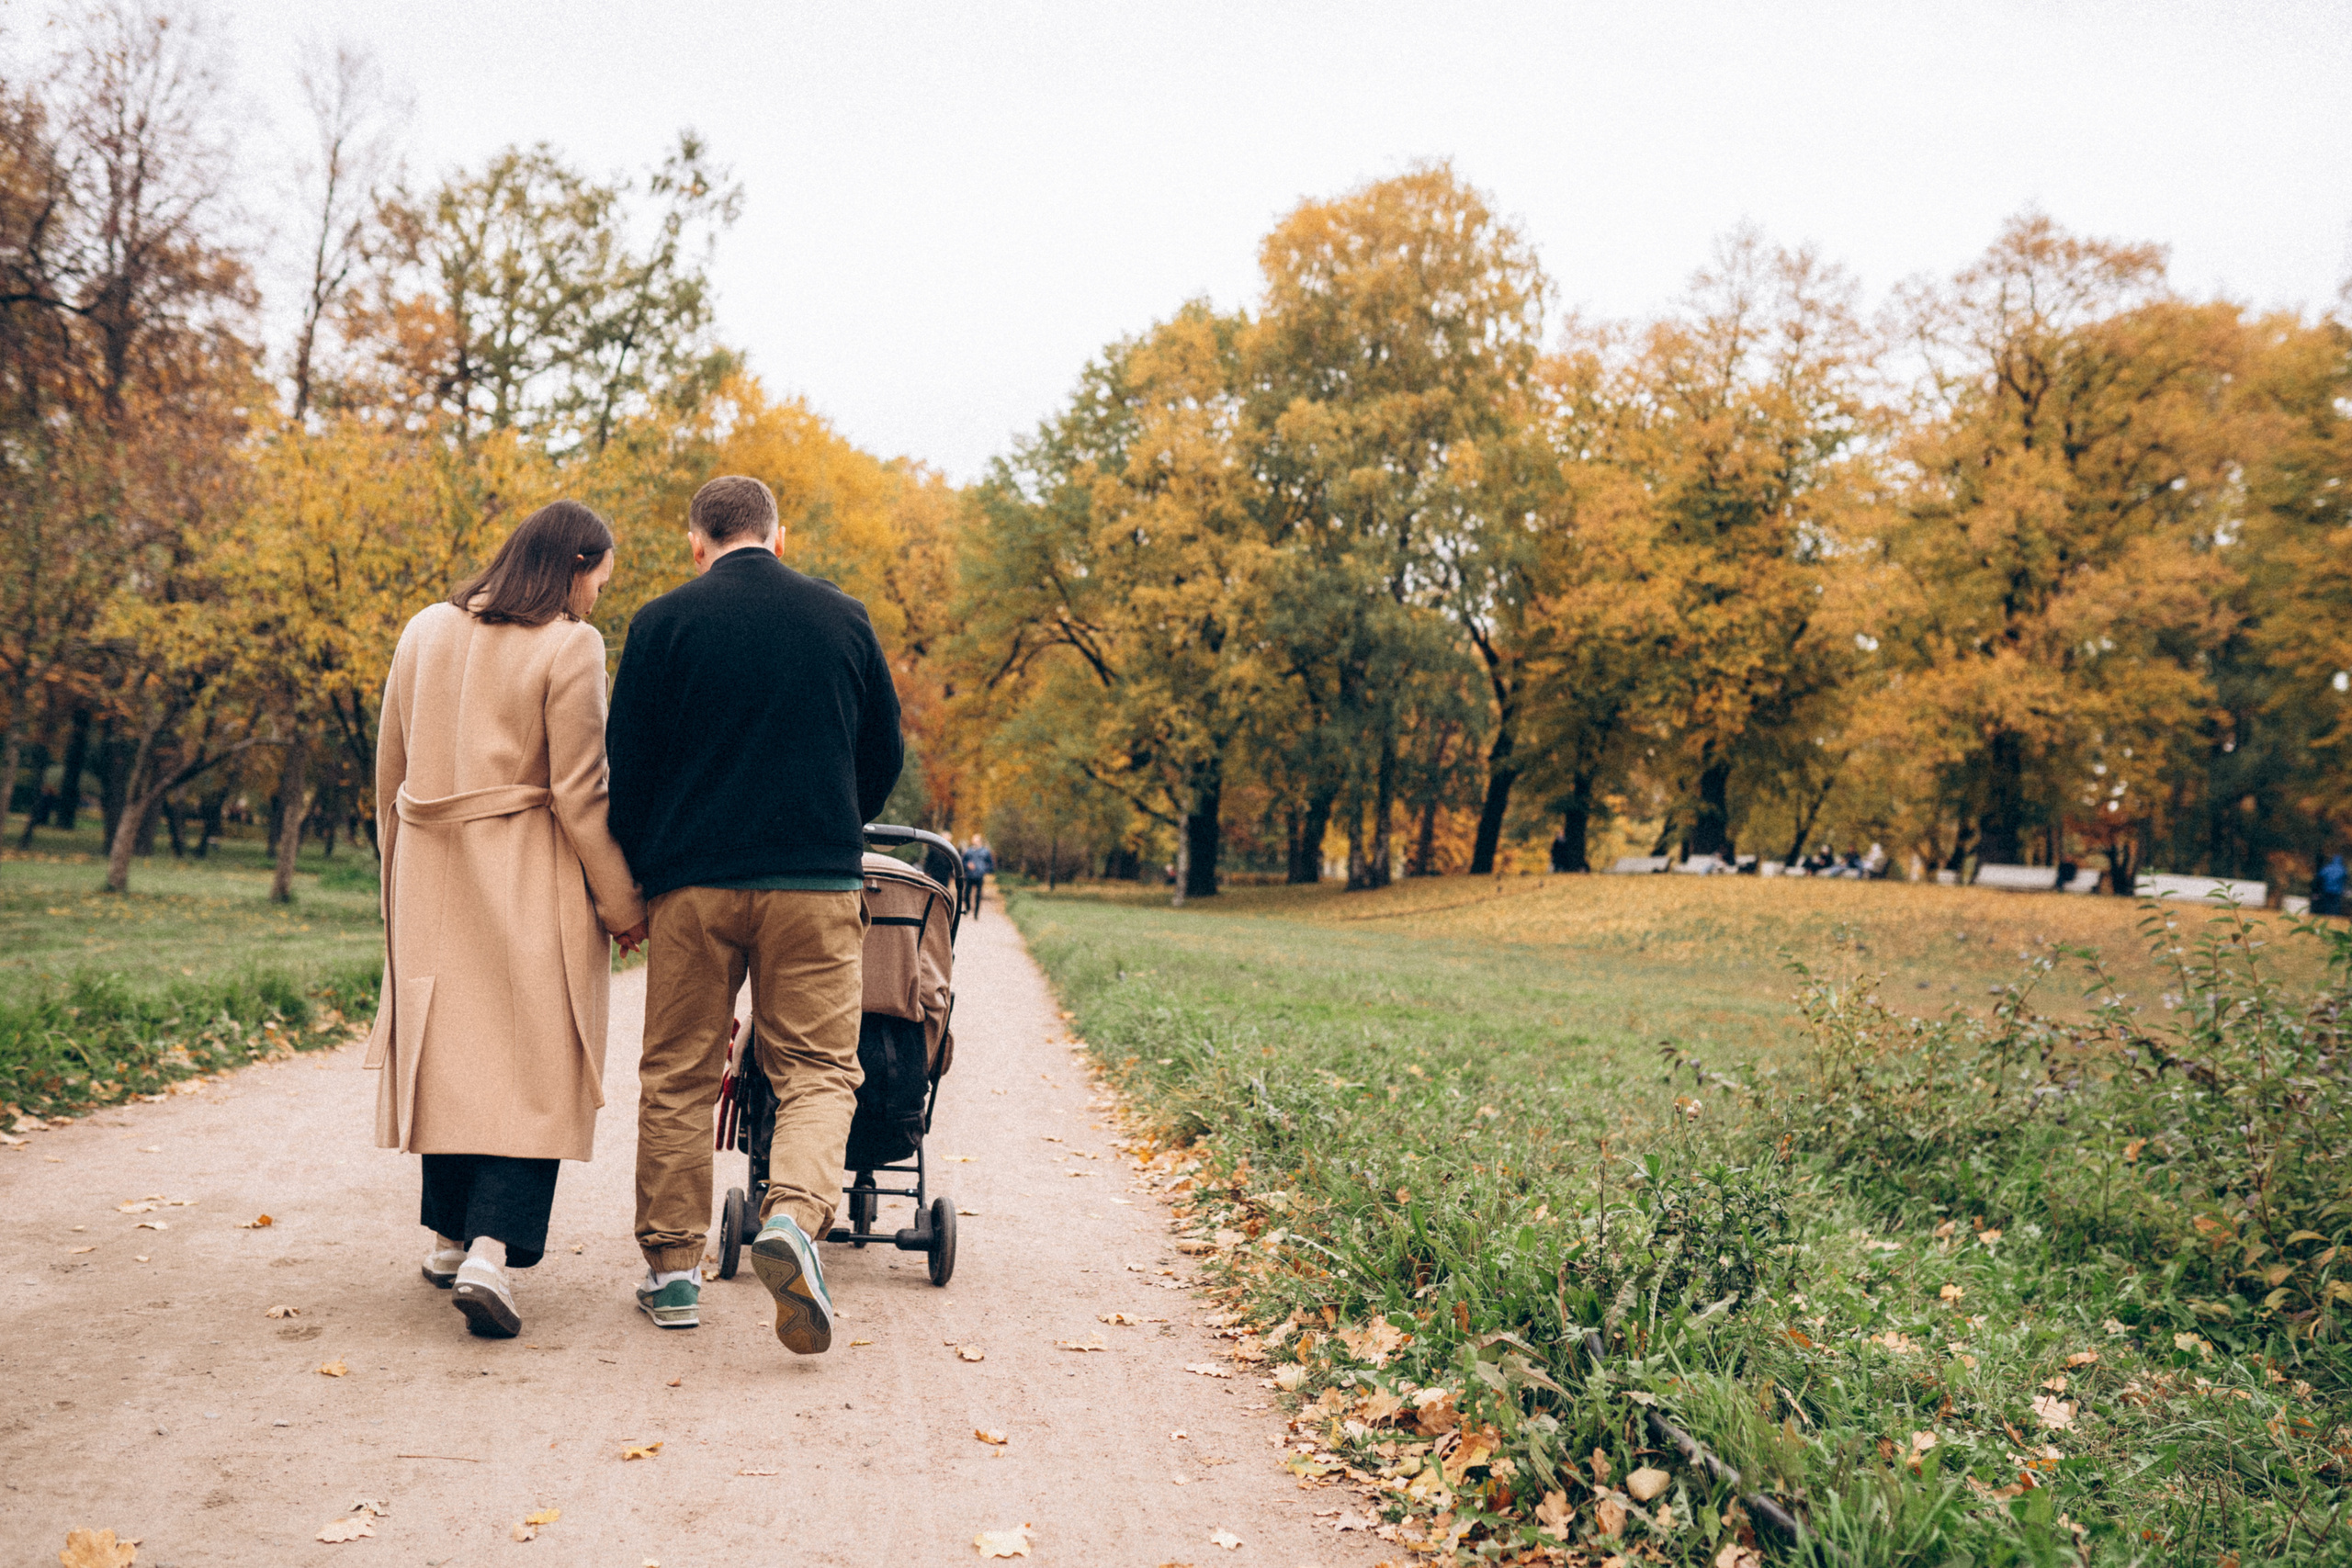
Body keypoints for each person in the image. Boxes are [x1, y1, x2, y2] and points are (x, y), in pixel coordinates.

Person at [605, 475, 903, 1353]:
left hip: (692, 884)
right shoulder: (843, 619)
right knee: (816, 1070)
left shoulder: (661, 623)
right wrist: (831, 823)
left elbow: (630, 766)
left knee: (680, 1073)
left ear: (697, 544)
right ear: (779, 538)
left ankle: (670, 1276)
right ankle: (793, 1223)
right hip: (813, 881)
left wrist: (649, 864)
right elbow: (881, 749)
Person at [366, 501, 648, 1340]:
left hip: (430, 866)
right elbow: (581, 789)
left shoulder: (423, 629)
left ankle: (450, 1238)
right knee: (533, 1060)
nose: (600, 592)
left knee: (453, 1049)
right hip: (528, 866)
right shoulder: (571, 644)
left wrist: (396, 873)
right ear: (575, 561)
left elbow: (389, 766)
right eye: (601, 573)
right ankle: (492, 1250)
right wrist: (622, 901)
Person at [959, 835, 994, 918]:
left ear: (980, 842)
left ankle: (976, 914)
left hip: (979, 876)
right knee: (966, 894)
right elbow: (962, 861)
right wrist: (967, 865)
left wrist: (984, 869)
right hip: (969, 876)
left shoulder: (985, 852)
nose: (974, 843)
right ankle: (968, 908)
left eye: (976, 841)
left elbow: (991, 864)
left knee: (978, 895)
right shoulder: (968, 851)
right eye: (973, 841)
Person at [2317, 853, 2347, 918]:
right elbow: (2345, 878)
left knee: (2327, 903)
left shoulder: (2328, 868)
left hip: (2327, 889)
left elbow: (2320, 875)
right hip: (2337, 890)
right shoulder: (2342, 869)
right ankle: (2335, 916)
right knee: (2335, 904)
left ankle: (2326, 915)